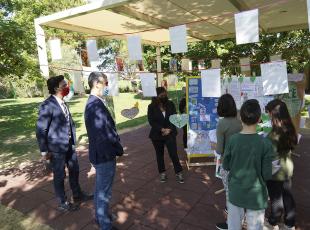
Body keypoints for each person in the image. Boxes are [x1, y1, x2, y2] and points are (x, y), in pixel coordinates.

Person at [36, 75, 93, 212]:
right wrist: (44, 151)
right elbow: (41, 129)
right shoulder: (47, 105)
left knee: (75, 169)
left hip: (69, 145)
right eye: (64, 84)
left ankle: (77, 195)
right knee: (60, 175)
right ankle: (62, 202)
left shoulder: (63, 102)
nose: (67, 86)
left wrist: (73, 139)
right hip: (56, 148)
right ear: (57, 88)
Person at [222, 99, 274, 230]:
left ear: (240, 117)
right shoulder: (265, 144)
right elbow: (267, 174)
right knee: (255, 227)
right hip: (256, 195)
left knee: (233, 226)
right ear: (259, 119)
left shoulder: (233, 140)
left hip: (236, 190)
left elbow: (226, 165)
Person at [84, 72, 123, 230]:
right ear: (97, 84)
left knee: (101, 189)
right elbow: (105, 134)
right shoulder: (95, 105)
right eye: (105, 82)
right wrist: (117, 149)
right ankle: (105, 225)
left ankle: (103, 216)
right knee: (103, 192)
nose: (107, 85)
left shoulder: (95, 102)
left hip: (102, 153)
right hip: (104, 155)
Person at [265, 99, 297, 230]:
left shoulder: (273, 136)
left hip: (275, 170)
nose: (267, 116)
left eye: (268, 113)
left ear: (274, 115)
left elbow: (269, 154)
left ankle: (273, 221)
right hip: (288, 168)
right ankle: (290, 223)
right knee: (287, 195)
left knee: (276, 198)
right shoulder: (289, 129)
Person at [215, 94, 242, 230]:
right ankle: (241, 220)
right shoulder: (240, 122)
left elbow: (219, 150)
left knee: (229, 195)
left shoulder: (222, 124)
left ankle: (230, 224)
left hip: (228, 163)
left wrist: (213, 146)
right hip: (242, 163)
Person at [147, 87, 184, 183]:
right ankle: (162, 173)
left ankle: (179, 172)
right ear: (156, 96)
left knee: (173, 154)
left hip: (170, 133)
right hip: (157, 135)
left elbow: (175, 117)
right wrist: (162, 129)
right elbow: (151, 121)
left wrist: (170, 129)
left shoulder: (170, 104)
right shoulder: (151, 107)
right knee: (159, 155)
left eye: (165, 94)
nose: (164, 96)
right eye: (162, 94)